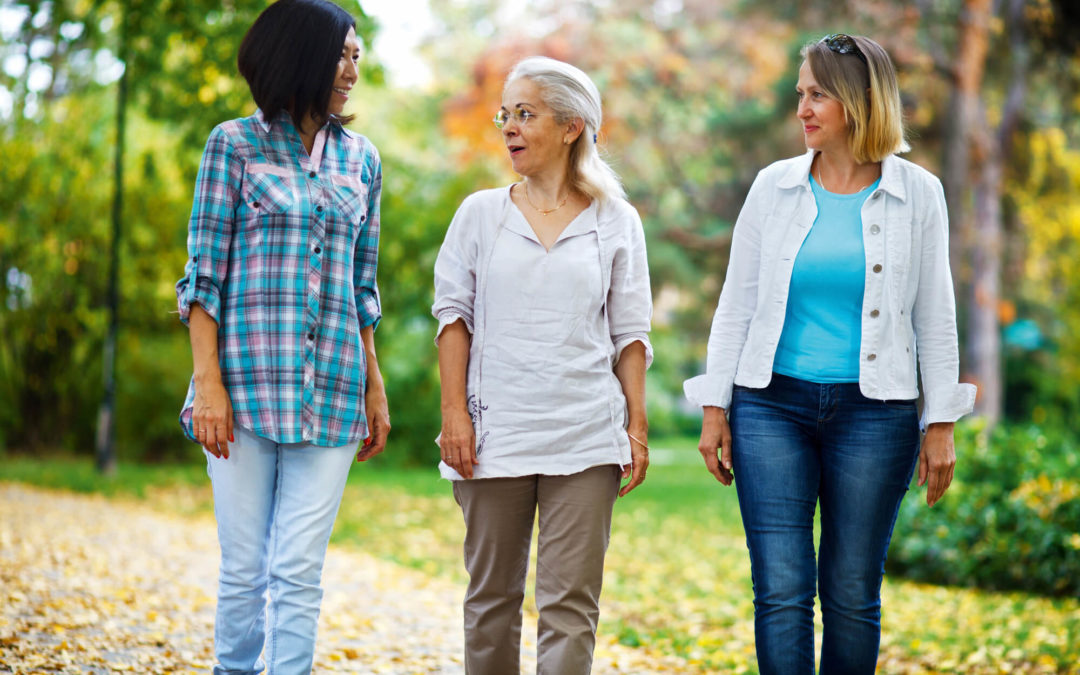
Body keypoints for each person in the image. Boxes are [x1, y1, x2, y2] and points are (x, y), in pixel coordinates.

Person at [683, 34, 977, 674]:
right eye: (800, 95)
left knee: (851, 594)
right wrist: (715, 409)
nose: (803, 109)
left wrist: (942, 422)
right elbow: (737, 302)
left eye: (817, 94)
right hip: (770, 408)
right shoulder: (774, 186)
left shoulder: (918, 193)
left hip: (877, 414)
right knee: (782, 591)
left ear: (857, 100)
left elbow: (935, 313)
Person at [174, 1, 390, 672]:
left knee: (299, 569)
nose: (353, 69)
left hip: (333, 389)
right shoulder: (232, 145)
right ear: (299, 54)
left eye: (357, 55)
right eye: (342, 54)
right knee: (245, 568)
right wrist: (207, 384)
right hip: (239, 390)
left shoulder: (363, 160)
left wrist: (373, 386)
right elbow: (203, 276)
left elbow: (362, 287)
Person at [432, 56, 652, 675]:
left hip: (585, 434)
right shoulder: (480, 214)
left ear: (571, 126)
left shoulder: (617, 220)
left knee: (571, 606)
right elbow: (453, 319)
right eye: (506, 115)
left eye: (525, 114)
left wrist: (634, 426)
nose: (508, 127)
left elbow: (630, 333)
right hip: (494, 432)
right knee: (491, 600)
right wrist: (455, 417)